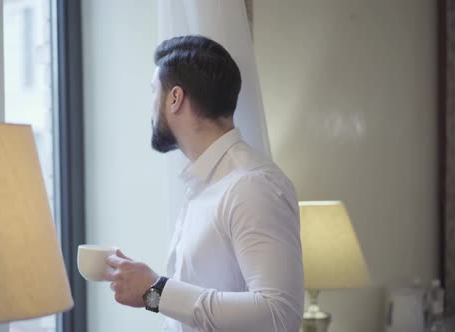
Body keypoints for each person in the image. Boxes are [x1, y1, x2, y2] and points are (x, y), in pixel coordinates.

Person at [103, 35, 304, 332]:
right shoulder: (204, 183)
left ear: (175, 98)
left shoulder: (251, 186)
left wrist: (154, 290)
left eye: (152, 92)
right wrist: (149, 290)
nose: (150, 106)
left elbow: (279, 315)